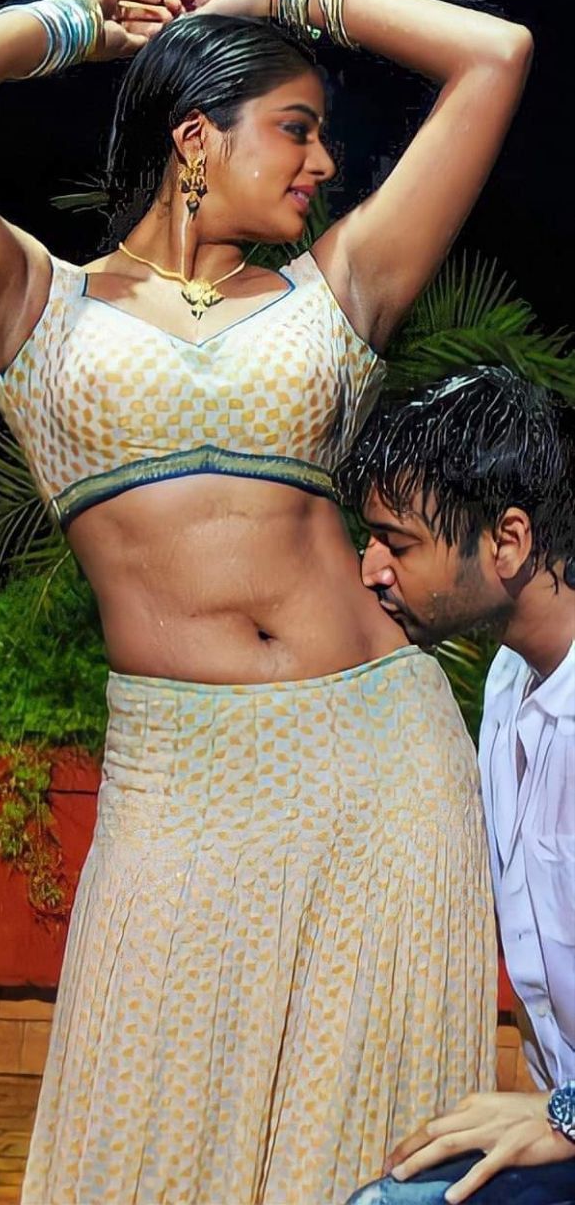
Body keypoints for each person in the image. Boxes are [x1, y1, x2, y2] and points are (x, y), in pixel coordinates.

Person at [0, 0, 533, 1204]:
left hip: (377, 759)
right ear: (193, 140)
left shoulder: (338, 293)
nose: (323, 164)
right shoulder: (29, 307)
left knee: (365, 1144)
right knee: (145, 1129)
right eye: (295, 128)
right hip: (182, 777)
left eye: (322, 135)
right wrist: (61, 28)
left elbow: (496, 56)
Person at [337, 367, 575, 1205]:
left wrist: (568, 1116)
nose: (368, 568)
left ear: (505, 542)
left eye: (395, 543)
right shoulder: (509, 684)